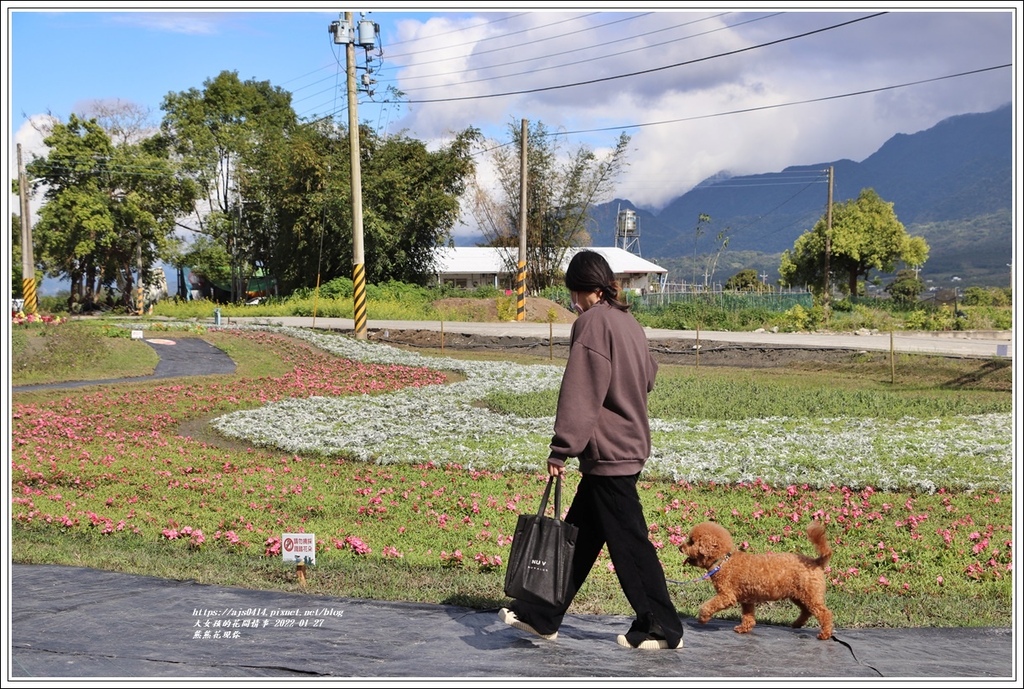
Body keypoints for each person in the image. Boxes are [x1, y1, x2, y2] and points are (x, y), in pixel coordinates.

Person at [498, 250, 684, 650]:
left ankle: (662, 627)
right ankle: (542, 614)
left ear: (585, 289)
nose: (573, 301)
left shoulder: (592, 322)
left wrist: (561, 449)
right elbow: (648, 375)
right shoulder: (627, 322)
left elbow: (581, 390)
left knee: (630, 543)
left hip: (610, 451)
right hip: (626, 444)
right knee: (579, 538)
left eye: (573, 293)